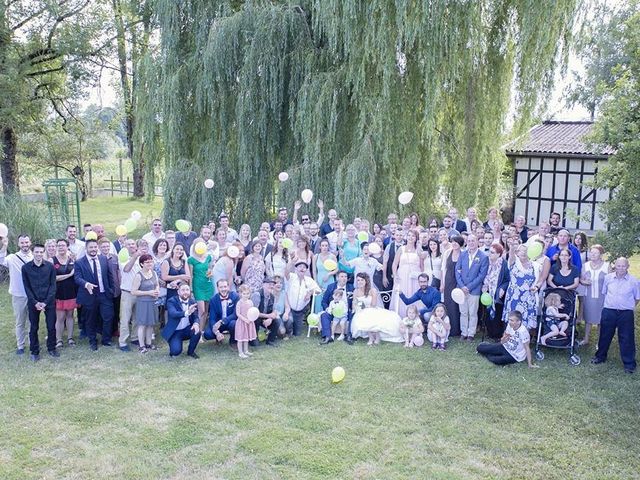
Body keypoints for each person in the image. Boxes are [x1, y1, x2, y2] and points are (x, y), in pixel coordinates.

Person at [591, 257, 639, 374]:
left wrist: (627, 306)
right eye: (618, 266)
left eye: (623, 266)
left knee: (626, 338)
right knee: (605, 335)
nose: (621, 268)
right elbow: (605, 292)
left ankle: (629, 364)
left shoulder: (634, 281)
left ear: (628, 266)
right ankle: (600, 357)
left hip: (625, 313)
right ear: (615, 266)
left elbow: (637, 298)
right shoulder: (608, 278)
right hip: (609, 311)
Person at [74, 239, 114, 351]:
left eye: (95, 247)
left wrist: (110, 290)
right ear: (86, 248)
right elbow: (77, 278)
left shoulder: (103, 259)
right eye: (91, 247)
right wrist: (86, 284)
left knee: (108, 316)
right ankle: (92, 341)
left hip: (104, 294)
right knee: (90, 319)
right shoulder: (79, 262)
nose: (93, 249)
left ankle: (106, 339)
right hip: (89, 295)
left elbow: (109, 275)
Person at [21, 244, 58, 361]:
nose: (39, 254)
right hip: (33, 302)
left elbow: (53, 286)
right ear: (33, 252)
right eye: (37, 252)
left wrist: (46, 302)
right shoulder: (26, 268)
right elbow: (26, 287)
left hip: (49, 301)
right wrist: (35, 302)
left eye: (41, 252)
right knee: (34, 327)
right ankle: (34, 351)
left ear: (44, 253)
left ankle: (52, 348)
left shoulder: (50, 267)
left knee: (51, 326)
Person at [0, 234, 33, 354]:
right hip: (18, 295)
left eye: (26, 242)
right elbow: (1, 260)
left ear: (30, 243)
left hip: (32, 295)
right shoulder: (12, 258)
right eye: (22, 243)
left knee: (32, 321)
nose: (25, 245)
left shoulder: (35, 256)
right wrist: (4, 245)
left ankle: (32, 342)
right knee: (20, 321)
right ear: (18, 244)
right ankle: (20, 345)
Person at [351, 272, 403, 344]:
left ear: (366, 281)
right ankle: (371, 337)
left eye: (362, 280)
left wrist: (363, 306)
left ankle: (377, 336)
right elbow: (354, 303)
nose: (360, 282)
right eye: (358, 280)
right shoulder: (356, 291)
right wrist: (359, 306)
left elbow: (373, 304)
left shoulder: (372, 290)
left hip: (372, 309)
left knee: (369, 314)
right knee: (363, 315)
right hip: (361, 310)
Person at [455, 234, 489, 341]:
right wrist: (462, 286)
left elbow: (481, 275)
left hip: (474, 290)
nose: (471, 243)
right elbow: (457, 270)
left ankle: (471, 333)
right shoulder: (463, 254)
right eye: (469, 241)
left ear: (477, 242)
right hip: (461, 289)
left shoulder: (483, 257)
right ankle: (464, 332)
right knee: (463, 312)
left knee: (473, 313)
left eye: (473, 240)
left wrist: (468, 287)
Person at [502, 244, 542, 331]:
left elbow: (540, 280)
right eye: (521, 250)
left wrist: (536, 287)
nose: (524, 252)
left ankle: (523, 340)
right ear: (517, 252)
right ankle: (511, 340)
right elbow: (511, 255)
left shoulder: (535, 266)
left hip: (528, 297)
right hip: (514, 297)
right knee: (513, 318)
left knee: (525, 320)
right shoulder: (514, 262)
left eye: (526, 250)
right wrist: (512, 247)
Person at [579, 245, 609, 346]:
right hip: (589, 296)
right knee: (588, 318)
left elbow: (610, 281)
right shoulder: (585, 265)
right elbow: (581, 279)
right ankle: (586, 339)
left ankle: (599, 342)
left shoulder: (606, 266)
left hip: (602, 296)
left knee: (601, 319)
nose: (593, 254)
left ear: (601, 255)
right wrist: (584, 282)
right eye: (591, 252)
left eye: (595, 253)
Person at [161, 283, 201, 358]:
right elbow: (173, 314)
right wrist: (187, 312)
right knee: (175, 352)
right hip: (175, 331)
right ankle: (174, 344)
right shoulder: (171, 301)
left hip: (186, 329)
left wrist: (196, 323)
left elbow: (196, 316)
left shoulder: (192, 301)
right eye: (183, 290)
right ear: (178, 292)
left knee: (197, 331)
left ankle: (191, 352)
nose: (185, 292)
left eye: (187, 290)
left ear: (190, 291)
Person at [131, 254, 160, 353]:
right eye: (147, 262)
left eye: (151, 261)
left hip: (153, 301)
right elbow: (133, 291)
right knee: (142, 324)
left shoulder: (154, 273)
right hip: (143, 302)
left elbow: (157, 285)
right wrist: (148, 292)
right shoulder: (139, 276)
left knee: (150, 324)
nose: (149, 264)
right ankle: (141, 346)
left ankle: (149, 343)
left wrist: (156, 291)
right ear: (141, 264)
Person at [389, 229, 422, 317]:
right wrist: (395, 275)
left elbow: (422, 266)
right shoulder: (401, 249)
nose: (411, 237)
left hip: (414, 277)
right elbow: (395, 264)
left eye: (413, 236)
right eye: (409, 235)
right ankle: (401, 317)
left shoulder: (418, 250)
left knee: (413, 295)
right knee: (401, 295)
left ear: (416, 238)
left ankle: (414, 317)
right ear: (406, 237)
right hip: (402, 276)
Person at [481, 243, 510, 339]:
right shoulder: (486, 262)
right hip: (488, 290)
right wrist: (484, 285)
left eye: (493, 253)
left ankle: (497, 334)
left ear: (499, 254)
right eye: (490, 252)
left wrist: (503, 288)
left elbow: (507, 279)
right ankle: (490, 332)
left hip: (498, 292)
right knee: (487, 312)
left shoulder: (504, 264)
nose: (490, 254)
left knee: (498, 312)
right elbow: (483, 274)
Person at [53, 239, 77, 348]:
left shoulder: (72, 260)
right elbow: (53, 278)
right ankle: (59, 340)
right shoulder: (52, 260)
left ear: (67, 247)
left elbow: (77, 273)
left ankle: (70, 338)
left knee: (70, 316)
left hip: (71, 292)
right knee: (60, 317)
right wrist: (68, 275)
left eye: (63, 245)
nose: (61, 247)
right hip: (59, 293)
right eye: (59, 245)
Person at [286, 261, 321, 336]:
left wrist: (310, 292)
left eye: (304, 267)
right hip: (290, 309)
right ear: (296, 268)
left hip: (300, 312)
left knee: (297, 333)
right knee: (289, 321)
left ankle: (293, 329)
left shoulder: (309, 280)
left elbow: (318, 290)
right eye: (300, 267)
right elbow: (286, 273)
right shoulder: (292, 277)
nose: (302, 269)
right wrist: (291, 262)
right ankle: (287, 332)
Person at [319, 270, 354, 344]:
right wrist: (327, 308)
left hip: (346, 312)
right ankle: (328, 337)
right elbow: (324, 301)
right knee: (324, 315)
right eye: (342, 276)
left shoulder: (351, 287)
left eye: (345, 277)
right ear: (337, 278)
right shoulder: (331, 287)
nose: (344, 278)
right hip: (333, 311)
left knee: (353, 315)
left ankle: (349, 336)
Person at [118, 239, 141, 351]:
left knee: (137, 318)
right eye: (128, 244)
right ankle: (123, 341)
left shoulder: (140, 258)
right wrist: (135, 257)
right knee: (125, 318)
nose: (131, 246)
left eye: (133, 244)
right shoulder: (122, 258)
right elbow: (127, 269)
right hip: (127, 293)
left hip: (139, 292)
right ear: (124, 246)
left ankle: (135, 337)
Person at [441, 235, 464, 337]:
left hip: (459, 281)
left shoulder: (464, 254)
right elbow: (443, 269)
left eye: (456, 242)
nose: (454, 244)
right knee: (449, 304)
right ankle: (448, 328)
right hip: (448, 280)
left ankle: (457, 329)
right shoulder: (447, 253)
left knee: (458, 304)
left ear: (460, 243)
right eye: (452, 241)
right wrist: (442, 283)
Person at [204, 279, 239, 344]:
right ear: (217, 288)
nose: (223, 289)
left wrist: (222, 321)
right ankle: (219, 337)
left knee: (234, 324)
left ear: (228, 287)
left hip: (230, 321)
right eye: (221, 287)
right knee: (207, 334)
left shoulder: (235, 296)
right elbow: (212, 318)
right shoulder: (213, 299)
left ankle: (233, 341)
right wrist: (216, 332)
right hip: (218, 323)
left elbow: (235, 314)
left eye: (225, 286)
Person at [188, 247, 214, 330]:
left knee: (206, 310)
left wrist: (210, 272)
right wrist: (190, 288)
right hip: (197, 286)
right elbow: (190, 275)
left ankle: (201, 332)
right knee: (201, 310)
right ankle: (196, 330)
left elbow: (210, 268)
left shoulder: (208, 257)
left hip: (208, 285)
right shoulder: (191, 259)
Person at [250, 278, 282, 346]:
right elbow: (253, 313)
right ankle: (253, 338)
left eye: (273, 285)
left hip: (265, 318)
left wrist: (270, 319)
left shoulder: (272, 296)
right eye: (269, 284)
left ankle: (270, 340)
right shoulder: (257, 295)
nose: (271, 286)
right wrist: (268, 316)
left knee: (277, 321)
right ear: (263, 285)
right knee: (256, 319)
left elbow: (274, 311)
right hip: (255, 318)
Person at [382, 228, 405, 308]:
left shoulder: (405, 247)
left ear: (403, 236)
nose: (399, 237)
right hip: (389, 275)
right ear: (394, 235)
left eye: (401, 235)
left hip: (402, 275)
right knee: (388, 296)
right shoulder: (389, 246)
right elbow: (385, 262)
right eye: (397, 235)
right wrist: (384, 277)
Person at [235, 284, 257, 358]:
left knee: (246, 337)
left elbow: (252, 311)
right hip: (242, 322)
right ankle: (240, 352)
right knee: (241, 338)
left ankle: (246, 350)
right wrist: (245, 319)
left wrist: (252, 318)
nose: (246, 295)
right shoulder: (239, 303)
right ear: (240, 294)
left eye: (247, 293)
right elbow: (238, 314)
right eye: (244, 294)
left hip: (249, 322)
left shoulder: (250, 302)